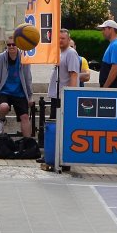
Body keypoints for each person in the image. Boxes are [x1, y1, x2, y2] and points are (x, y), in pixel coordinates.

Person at [43, 31, 83, 171]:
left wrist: (70, 96)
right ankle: (53, 155)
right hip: (56, 95)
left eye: (63, 38)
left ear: (69, 39)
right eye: (58, 38)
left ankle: (62, 159)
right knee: (54, 127)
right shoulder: (59, 52)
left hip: (63, 97)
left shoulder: (71, 53)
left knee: (61, 128)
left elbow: (73, 75)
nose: (60, 40)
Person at [0, 33, 33, 141]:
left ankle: (27, 143)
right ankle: (2, 119)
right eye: (9, 45)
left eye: (14, 44)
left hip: (20, 92)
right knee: (4, 106)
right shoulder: (0, 58)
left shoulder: (24, 58)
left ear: (18, 45)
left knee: (25, 117)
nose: (11, 47)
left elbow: (28, 78)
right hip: (4, 92)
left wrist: (30, 96)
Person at [98, 19, 117, 88]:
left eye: (104, 29)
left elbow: (115, 68)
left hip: (112, 88)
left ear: (111, 29)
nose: (102, 32)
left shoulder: (116, 45)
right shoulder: (114, 44)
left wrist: (105, 87)